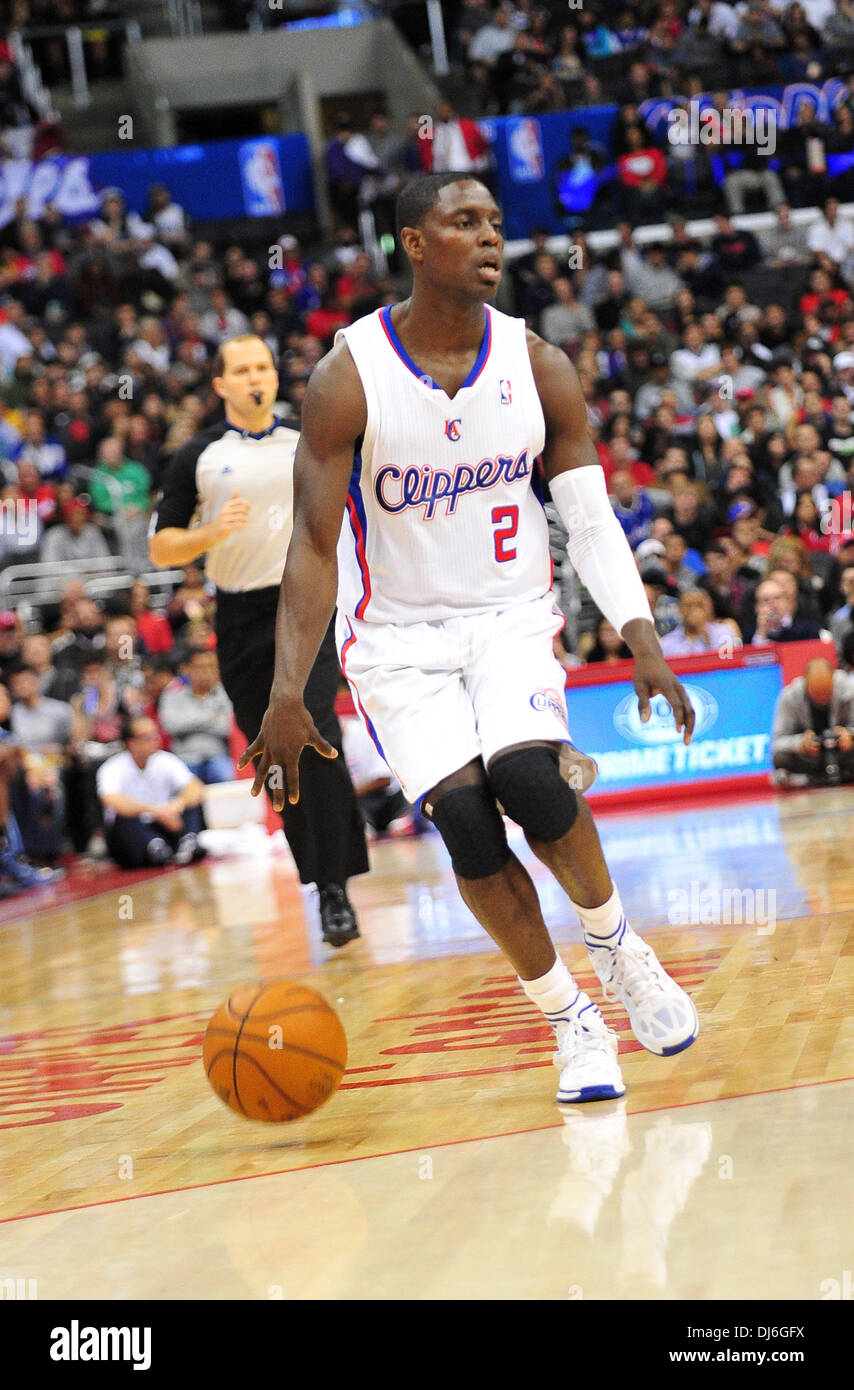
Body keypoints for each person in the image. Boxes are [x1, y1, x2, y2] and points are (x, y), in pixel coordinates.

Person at [240, 173, 699, 1108]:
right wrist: (288, 691)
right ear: (415, 243)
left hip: (509, 621)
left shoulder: (539, 365)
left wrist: (641, 632)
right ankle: (568, 1018)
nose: (490, 237)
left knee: (530, 778)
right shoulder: (348, 377)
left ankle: (618, 950)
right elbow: (313, 547)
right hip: (396, 643)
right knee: (466, 825)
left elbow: (590, 518)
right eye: (465, 222)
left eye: (495, 222)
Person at [149, 333, 369, 947]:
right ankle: (319, 877)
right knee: (273, 749)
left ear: (275, 377)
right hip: (240, 615)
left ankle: (335, 890)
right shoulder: (196, 454)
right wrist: (210, 532)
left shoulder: (309, 436)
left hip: (308, 602)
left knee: (314, 725)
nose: (256, 378)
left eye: (263, 367)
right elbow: (161, 546)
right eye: (241, 370)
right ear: (220, 385)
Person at [97, 714, 207, 867]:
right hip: (133, 830)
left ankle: (189, 841)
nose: (154, 740)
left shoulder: (165, 760)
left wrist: (177, 805)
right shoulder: (112, 767)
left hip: (166, 822)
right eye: (146, 737)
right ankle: (153, 846)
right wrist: (156, 811)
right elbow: (112, 800)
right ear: (131, 743)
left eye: (155, 734)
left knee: (192, 804)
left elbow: (195, 786)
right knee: (123, 818)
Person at [772, 658, 854, 786]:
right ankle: (817, 777)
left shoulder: (849, 688)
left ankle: (812, 779)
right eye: (816, 693)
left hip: (843, 753)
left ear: (833, 680)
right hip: (811, 758)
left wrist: (850, 735)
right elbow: (776, 743)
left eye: (827, 692)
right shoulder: (789, 696)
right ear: (805, 683)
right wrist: (800, 744)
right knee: (780, 759)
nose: (822, 697)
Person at [158, 649, 234, 784]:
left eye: (211, 667)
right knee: (181, 786)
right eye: (200, 667)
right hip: (185, 758)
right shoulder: (172, 695)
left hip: (218, 756)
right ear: (187, 669)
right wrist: (212, 718)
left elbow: (228, 727)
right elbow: (171, 726)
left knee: (228, 777)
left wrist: (190, 721)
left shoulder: (227, 693)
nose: (206, 672)